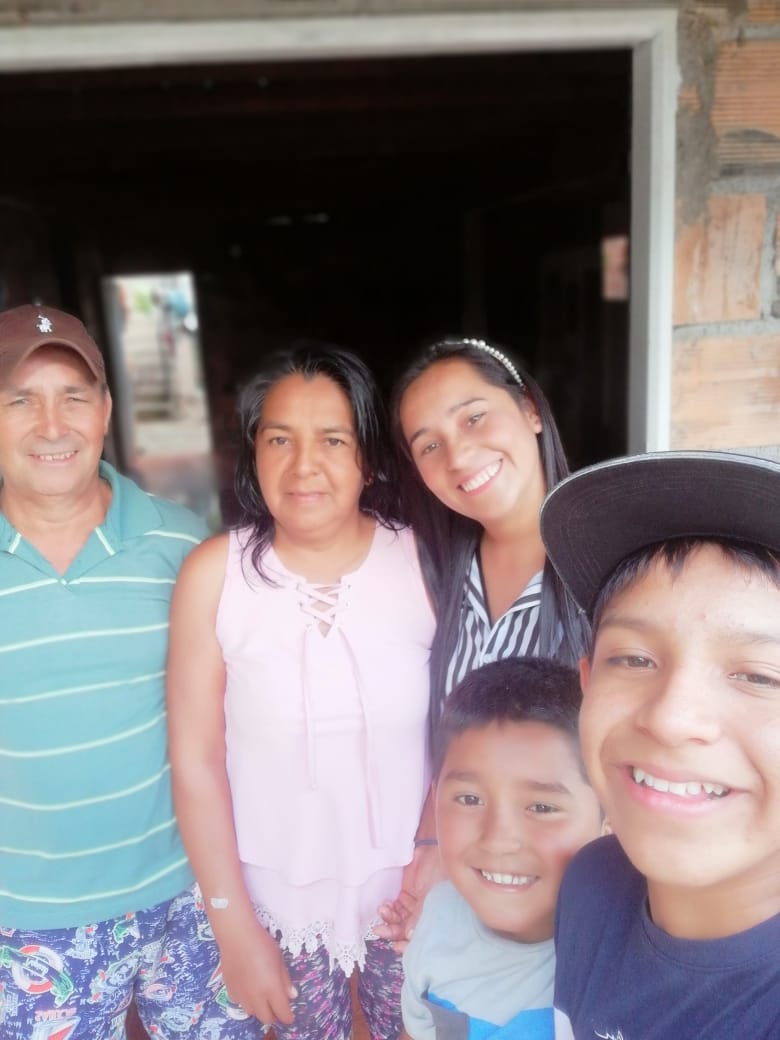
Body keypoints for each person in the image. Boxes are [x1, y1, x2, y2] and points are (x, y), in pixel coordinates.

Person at [166, 342, 435, 1039]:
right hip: (273, 899)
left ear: (367, 457)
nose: (303, 464)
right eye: (279, 439)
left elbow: (462, 732)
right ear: (253, 454)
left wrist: (439, 855)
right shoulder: (214, 575)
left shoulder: (424, 561)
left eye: (332, 440)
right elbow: (195, 761)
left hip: (413, 893)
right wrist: (234, 930)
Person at [0, 304, 242, 1039]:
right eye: (20, 400)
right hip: (29, 925)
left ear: (106, 411)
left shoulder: (183, 544)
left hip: (190, 893)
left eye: (73, 397)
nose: (52, 425)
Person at [539, 450, 780, 1039]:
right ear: (587, 683)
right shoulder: (590, 884)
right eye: (634, 659)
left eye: (759, 675)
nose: (671, 718)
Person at [378, 336, 589, 948]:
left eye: (474, 417)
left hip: (577, 905)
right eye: (429, 444)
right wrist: (432, 846)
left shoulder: (608, 567)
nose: (459, 454)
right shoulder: (440, 572)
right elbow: (453, 739)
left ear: (529, 409)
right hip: (477, 890)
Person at [401, 657, 603, 1040]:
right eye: (469, 799)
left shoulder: (615, 956)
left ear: (609, 818)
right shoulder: (438, 916)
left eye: (541, 807)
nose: (498, 838)